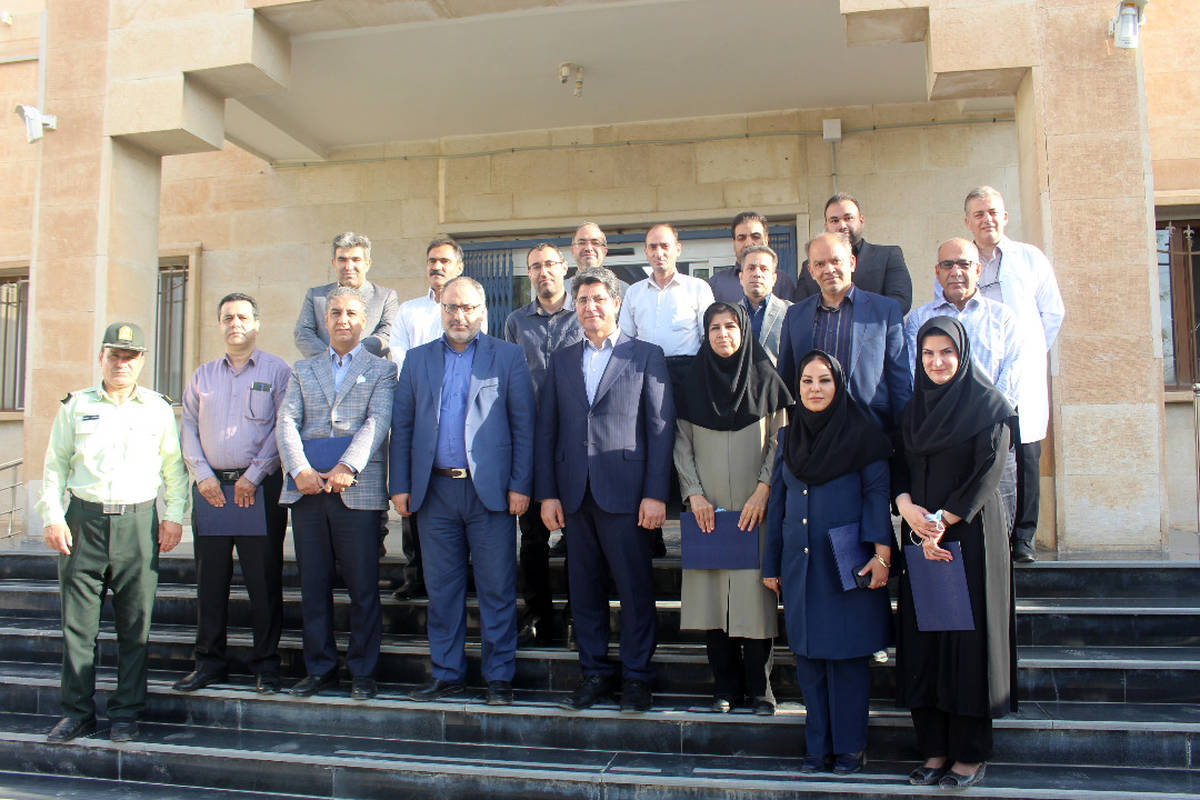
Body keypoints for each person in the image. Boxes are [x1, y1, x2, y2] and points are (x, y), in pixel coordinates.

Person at [37, 322, 188, 743]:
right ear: (101, 358)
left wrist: (174, 516)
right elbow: (55, 465)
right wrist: (52, 515)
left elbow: (173, 468)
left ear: (141, 362)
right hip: (82, 523)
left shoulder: (157, 408)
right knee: (77, 628)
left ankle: (126, 714)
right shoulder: (76, 405)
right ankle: (77, 713)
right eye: (115, 356)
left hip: (137, 524)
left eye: (130, 357)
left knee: (135, 627)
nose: (122, 363)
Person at [390, 277, 535, 706]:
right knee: (442, 591)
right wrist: (400, 486)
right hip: (434, 493)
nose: (459, 315)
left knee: (497, 588)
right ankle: (447, 673)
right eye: (452, 307)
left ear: (482, 311)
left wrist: (520, 485)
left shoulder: (507, 356)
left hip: (490, 494)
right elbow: (403, 427)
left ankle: (499, 677)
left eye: (468, 307)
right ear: (441, 310)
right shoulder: (417, 360)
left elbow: (524, 427)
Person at [536, 267, 675, 713]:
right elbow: (547, 431)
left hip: (628, 495)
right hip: (575, 496)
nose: (590, 307)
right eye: (582, 300)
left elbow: (660, 429)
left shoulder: (645, 355)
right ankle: (594, 673)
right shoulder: (561, 360)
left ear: (617, 303)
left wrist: (656, 493)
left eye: (599, 299)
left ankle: (637, 677)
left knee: (635, 591)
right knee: (584, 592)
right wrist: (548, 494)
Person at [894, 316, 1017, 789]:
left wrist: (944, 520)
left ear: (963, 354)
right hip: (920, 535)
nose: (937, 361)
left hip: (969, 535)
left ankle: (969, 753)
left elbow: (988, 470)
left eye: (946, 352)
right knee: (926, 642)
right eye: (928, 353)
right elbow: (898, 467)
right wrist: (907, 509)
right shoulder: (912, 411)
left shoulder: (988, 406)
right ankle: (934, 749)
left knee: (966, 645)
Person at [762, 350, 894, 775]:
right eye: (807, 381)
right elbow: (779, 505)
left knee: (846, 660)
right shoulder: (789, 437)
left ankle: (850, 748)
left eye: (824, 381)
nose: (815, 389)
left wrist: (881, 555)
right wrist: (771, 564)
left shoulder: (864, 434)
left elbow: (876, 495)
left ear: (838, 385)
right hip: (801, 565)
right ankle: (817, 747)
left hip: (848, 564)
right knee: (809, 661)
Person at [277, 286, 396, 700]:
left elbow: (377, 421)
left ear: (364, 321)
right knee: (313, 587)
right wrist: (299, 470)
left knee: (363, 588)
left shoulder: (382, 370)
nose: (343, 320)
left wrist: (348, 466)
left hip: (356, 492)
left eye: (350, 313)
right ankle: (320, 669)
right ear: (325, 320)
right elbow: (287, 421)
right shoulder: (302, 369)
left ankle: (363, 671)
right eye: (335, 313)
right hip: (308, 492)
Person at [674, 302, 791, 715]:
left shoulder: (766, 378)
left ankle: (761, 689)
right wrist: (694, 494)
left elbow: (780, 440)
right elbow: (681, 443)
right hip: (708, 512)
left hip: (754, 511)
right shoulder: (692, 382)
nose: (723, 334)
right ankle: (724, 686)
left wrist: (764, 489)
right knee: (712, 601)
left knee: (755, 601)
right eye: (714, 328)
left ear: (744, 331)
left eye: (730, 327)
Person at [175, 293, 291, 695]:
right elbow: (187, 428)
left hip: (258, 489)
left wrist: (254, 475)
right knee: (210, 581)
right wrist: (202, 476)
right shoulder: (202, 376)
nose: (235, 323)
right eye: (227, 317)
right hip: (212, 491)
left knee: (263, 580)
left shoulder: (277, 371)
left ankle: (266, 666)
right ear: (219, 324)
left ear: (256, 324)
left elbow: (283, 427)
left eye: (242, 317)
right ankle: (209, 662)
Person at [963, 186, 1064, 563]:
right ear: (968, 221)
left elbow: (1052, 312)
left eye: (992, 212)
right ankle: (990, 530)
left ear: (1004, 217)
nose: (986, 219)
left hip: (1023, 374)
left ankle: (1023, 537)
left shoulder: (1029, 258)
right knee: (985, 452)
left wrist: (1028, 355)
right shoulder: (965, 261)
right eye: (978, 214)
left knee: (1026, 453)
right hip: (981, 377)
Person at [388, 235, 487, 597]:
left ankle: (465, 574)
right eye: (432, 261)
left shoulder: (474, 307)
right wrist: (422, 380)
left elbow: (479, 351)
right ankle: (416, 576)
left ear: (459, 266)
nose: (437, 266)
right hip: (419, 404)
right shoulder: (409, 310)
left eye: (445, 261)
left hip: (459, 413)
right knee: (417, 499)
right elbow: (398, 351)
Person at [905, 238, 1023, 529]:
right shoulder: (919, 319)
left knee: (994, 530)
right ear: (937, 271)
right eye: (948, 265)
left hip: (989, 439)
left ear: (978, 270)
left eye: (964, 264)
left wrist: (988, 419)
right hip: (937, 445)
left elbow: (1012, 372)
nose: (955, 271)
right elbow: (915, 373)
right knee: (934, 533)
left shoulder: (1002, 317)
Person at [504, 243, 583, 645]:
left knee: (578, 535)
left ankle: (576, 615)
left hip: (575, 440)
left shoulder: (583, 313)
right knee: (533, 535)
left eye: (550, 264)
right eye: (535, 266)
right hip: (533, 441)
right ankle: (536, 612)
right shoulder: (516, 321)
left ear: (564, 268)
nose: (543, 272)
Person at [776, 232, 911, 429]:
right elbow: (786, 381)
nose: (829, 269)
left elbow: (900, 381)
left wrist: (903, 436)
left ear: (852, 263)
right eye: (820, 264)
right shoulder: (795, 315)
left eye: (836, 261)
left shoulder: (884, 311)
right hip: (813, 433)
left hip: (871, 431)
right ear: (811, 271)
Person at [796, 194, 913, 313]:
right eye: (834, 220)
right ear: (826, 226)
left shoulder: (888, 256)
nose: (842, 225)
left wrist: (851, 319)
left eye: (848, 218)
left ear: (861, 220)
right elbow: (801, 309)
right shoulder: (810, 266)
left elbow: (900, 302)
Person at [294, 231, 398, 358]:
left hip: (371, 367)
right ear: (334, 263)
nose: (348, 266)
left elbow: (388, 333)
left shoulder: (385, 297)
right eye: (342, 260)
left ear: (367, 263)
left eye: (356, 259)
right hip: (324, 367)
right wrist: (331, 358)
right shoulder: (316, 296)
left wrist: (354, 355)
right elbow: (303, 333)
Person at [708, 211, 798, 304]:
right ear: (734, 243)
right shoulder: (717, 283)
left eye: (755, 237)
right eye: (741, 238)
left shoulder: (782, 281)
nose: (748, 243)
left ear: (766, 240)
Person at [737, 244, 791, 364]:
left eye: (764, 269)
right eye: (751, 268)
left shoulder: (791, 312)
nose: (757, 273)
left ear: (774, 279)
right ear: (741, 277)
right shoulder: (731, 315)